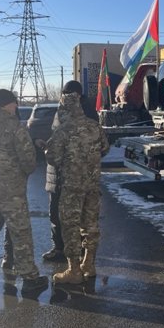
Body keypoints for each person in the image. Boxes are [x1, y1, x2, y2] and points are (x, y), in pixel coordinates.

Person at [0, 89, 47, 294]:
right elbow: (29, 162)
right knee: (20, 232)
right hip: (11, 190)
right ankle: (29, 278)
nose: (16, 107)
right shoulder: (15, 128)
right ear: (7, 104)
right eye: (14, 103)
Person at [45, 89, 110, 284]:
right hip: (92, 185)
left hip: (72, 188)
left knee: (70, 227)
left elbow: (53, 158)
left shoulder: (63, 130)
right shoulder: (94, 127)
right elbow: (105, 149)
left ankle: (73, 270)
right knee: (90, 226)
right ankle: (89, 264)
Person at [37, 80, 98, 262]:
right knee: (55, 213)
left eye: (67, 95)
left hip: (73, 176)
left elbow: (92, 146)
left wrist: (50, 150)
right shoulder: (61, 111)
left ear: (77, 95)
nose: (64, 98)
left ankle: (77, 256)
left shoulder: (87, 114)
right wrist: (49, 145)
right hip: (57, 174)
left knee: (76, 217)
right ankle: (60, 248)